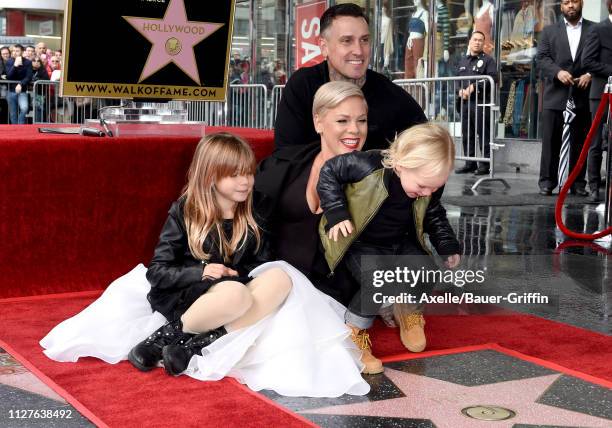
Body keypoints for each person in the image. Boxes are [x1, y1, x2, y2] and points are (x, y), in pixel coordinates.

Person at [41, 132, 368, 397]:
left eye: (249, 173)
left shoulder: (257, 208)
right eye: (234, 175)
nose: (245, 182)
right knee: (234, 296)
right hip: (188, 293)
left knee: (281, 278)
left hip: (235, 290)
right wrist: (203, 271)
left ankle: (199, 343)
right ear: (211, 176)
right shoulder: (185, 211)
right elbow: (158, 272)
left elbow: (261, 263)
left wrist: (241, 279)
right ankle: (163, 338)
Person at [256, 81, 429, 374]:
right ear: (318, 121)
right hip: (282, 279)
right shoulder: (282, 165)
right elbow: (257, 224)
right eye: (342, 120)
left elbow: (407, 231)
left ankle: (397, 305)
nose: (355, 130)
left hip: (338, 292)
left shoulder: (380, 174)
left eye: (361, 120)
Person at [316, 123, 461, 373]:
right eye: (423, 186)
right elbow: (329, 171)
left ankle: (407, 309)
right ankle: (354, 331)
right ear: (401, 164)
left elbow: (434, 214)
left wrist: (447, 245)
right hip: (358, 240)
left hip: (398, 241)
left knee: (426, 271)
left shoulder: (426, 185)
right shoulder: (367, 165)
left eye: (435, 188)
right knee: (378, 280)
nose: (427, 193)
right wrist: (337, 211)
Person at [274, 3, 426, 151]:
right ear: (323, 47)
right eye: (347, 41)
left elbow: (428, 144)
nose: (359, 51)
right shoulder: (303, 85)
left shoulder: (389, 93)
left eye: (364, 40)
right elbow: (285, 156)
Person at [536, 0, 593, 196]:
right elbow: (542, 58)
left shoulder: (594, 29)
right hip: (555, 93)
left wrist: (590, 75)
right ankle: (547, 181)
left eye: (574, 1)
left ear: (581, 4)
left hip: (583, 94)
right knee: (551, 140)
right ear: (561, 7)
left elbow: (602, 58)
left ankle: (577, 182)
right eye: (566, 2)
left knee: (580, 140)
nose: (570, 5)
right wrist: (557, 72)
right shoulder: (549, 31)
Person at [454, 31, 498, 175]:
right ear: (469, 42)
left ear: (483, 43)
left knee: (483, 134)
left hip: (481, 103)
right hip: (465, 103)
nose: (477, 42)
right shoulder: (463, 61)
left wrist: (474, 87)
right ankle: (469, 163)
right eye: (475, 40)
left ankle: (485, 165)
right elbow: (457, 80)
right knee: (467, 134)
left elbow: (492, 78)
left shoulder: (488, 60)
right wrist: (459, 91)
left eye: (480, 40)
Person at [582, 0, 612, 203]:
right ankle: (593, 186)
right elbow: (588, 61)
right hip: (601, 94)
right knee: (595, 141)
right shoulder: (598, 29)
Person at [5, 44, 32, 124]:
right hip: (11, 91)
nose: (15, 53)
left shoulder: (27, 62)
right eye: (13, 51)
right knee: (13, 113)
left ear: (22, 52)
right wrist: (15, 66)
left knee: (24, 108)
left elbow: (28, 76)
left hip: (22, 91)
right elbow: (9, 76)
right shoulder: (10, 61)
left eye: (17, 51)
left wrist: (21, 84)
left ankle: (20, 126)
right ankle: (14, 130)